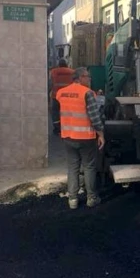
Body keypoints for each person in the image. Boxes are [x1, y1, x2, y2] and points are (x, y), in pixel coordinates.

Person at [53, 67, 105, 209]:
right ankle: (91, 198)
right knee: (89, 167)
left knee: (73, 167)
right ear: (80, 77)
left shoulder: (61, 93)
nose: (90, 79)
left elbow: (59, 106)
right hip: (86, 137)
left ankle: (73, 200)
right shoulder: (87, 93)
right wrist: (101, 135)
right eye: (87, 77)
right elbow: (95, 117)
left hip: (68, 137)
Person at [49, 59, 75, 135]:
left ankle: (57, 129)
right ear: (66, 64)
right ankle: (67, 127)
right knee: (68, 112)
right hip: (69, 97)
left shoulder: (54, 72)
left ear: (59, 65)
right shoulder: (72, 72)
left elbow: (50, 84)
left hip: (56, 96)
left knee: (55, 112)